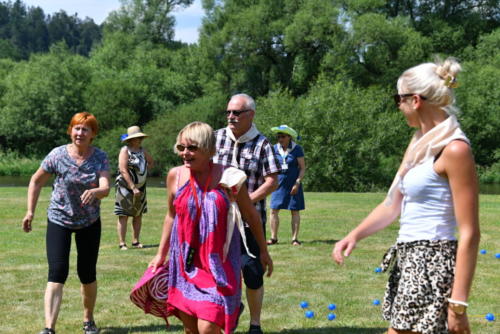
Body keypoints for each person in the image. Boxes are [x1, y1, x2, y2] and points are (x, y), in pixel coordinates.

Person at [332, 58, 479, 334]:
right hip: (409, 257)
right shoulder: (419, 144)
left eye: (398, 99)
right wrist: (354, 235)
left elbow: (470, 232)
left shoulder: (454, 149)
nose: (398, 107)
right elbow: (391, 204)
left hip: (432, 262)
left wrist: (458, 304)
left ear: (415, 100)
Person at [149, 122, 272, 334]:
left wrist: (263, 250)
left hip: (217, 261)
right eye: (181, 148)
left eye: (192, 148)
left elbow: (250, 214)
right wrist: (161, 254)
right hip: (185, 260)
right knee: (190, 329)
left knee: (207, 326)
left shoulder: (229, 177)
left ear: (210, 150)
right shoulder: (175, 176)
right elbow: (171, 216)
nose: (185, 154)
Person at [22, 112, 111, 334]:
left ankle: (88, 321)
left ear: (93, 134)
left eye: (85, 129)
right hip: (59, 219)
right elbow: (36, 180)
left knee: (87, 272)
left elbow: (106, 187)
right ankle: (49, 328)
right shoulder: (57, 155)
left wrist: (96, 191)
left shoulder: (99, 156)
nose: (80, 133)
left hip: (89, 221)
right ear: (70, 130)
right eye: (76, 128)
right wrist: (30, 212)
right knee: (57, 271)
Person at [213, 93, 280, 334]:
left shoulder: (262, 144)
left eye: (237, 113)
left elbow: (273, 181)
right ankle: (227, 312)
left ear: (250, 115)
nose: (231, 117)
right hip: (219, 219)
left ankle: (255, 324)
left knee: (252, 272)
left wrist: (247, 201)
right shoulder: (216, 138)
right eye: (228, 112)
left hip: (250, 222)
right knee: (218, 272)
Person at [114, 125, 154, 250]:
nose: (140, 139)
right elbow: (123, 169)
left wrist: (144, 171)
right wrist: (132, 186)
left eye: (140, 137)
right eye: (137, 137)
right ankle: (122, 243)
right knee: (124, 214)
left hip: (140, 187)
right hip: (125, 186)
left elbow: (151, 162)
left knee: (138, 214)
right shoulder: (125, 150)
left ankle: (136, 241)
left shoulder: (143, 150)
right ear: (131, 139)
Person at [267, 125, 305, 246]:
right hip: (278, 182)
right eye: (278, 136)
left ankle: (294, 239)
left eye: (283, 136)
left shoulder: (297, 149)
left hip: (293, 183)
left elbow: (303, 168)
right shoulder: (274, 148)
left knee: (294, 210)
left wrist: (297, 183)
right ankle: (273, 238)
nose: (280, 139)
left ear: (289, 137)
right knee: (274, 210)